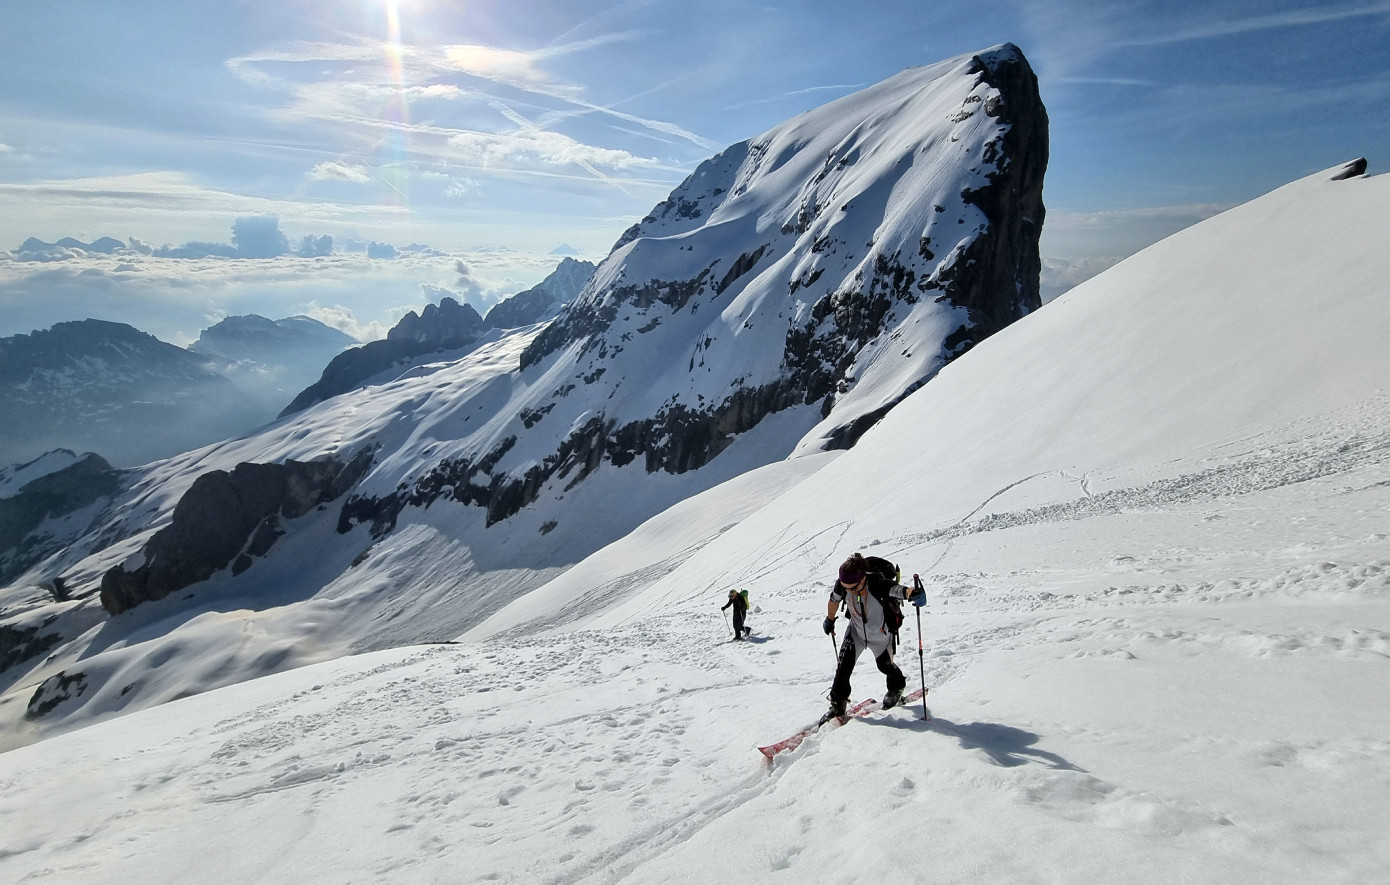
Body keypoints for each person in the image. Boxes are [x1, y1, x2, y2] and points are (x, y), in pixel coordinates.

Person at [822, 552, 923, 721]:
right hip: (856, 632)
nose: (849, 591)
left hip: (881, 636)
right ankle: (837, 706)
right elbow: (834, 601)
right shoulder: (843, 585)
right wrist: (829, 619)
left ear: (863, 578)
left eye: (853, 587)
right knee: (842, 669)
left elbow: (898, 590)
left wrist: (913, 593)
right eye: (846, 587)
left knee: (885, 667)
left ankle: (897, 686)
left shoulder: (876, 582)